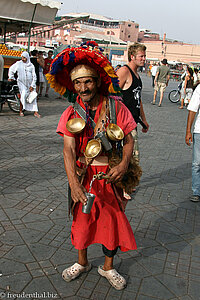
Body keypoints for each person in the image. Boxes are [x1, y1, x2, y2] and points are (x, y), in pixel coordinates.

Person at [46, 41, 138, 290]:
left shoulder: (116, 107)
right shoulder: (70, 112)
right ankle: (82, 262)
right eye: (78, 83)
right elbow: (68, 149)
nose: (83, 87)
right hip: (84, 176)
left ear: (97, 81)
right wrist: (74, 184)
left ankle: (107, 267)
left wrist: (124, 165)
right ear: (73, 85)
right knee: (82, 221)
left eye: (88, 82)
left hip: (110, 176)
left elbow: (129, 138)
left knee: (112, 222)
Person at [116, 43, 149, 165]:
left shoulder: (137, 75)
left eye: (144, 56)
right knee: (129, 160)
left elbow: (138, 99)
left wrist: (144, 120)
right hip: (123, 124)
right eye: (141, 56)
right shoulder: (124, 71)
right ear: (132, 56)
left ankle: (126, 183)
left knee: (132, 161)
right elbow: (111, 95)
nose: (144, 59)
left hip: (133, 122)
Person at [8, 51, 40, 118]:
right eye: (22, 57)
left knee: (33, 97)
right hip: (22, 83)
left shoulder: (31, 66)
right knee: (23, 95)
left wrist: (32, 85)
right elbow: (11, 69)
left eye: (24, 58)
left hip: (30, 84)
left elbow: (34, 76)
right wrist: (11, 77)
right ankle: (21, 111)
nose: (23, 59)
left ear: (27, 58)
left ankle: (35, 112)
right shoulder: (18, 63)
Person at [185, 84, 200, 202]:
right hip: (199, 132)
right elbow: (192, 110)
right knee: (197, 163)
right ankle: (196, 191)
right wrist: (188, 131)